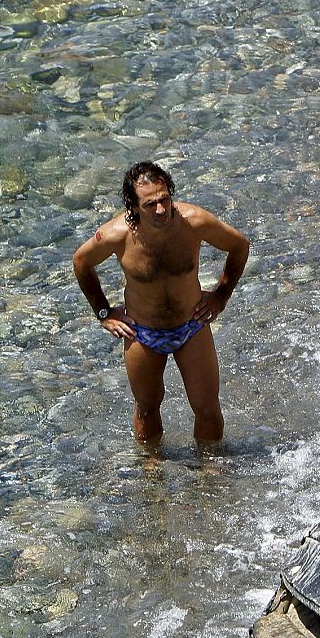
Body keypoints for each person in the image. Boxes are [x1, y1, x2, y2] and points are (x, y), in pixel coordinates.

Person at [71, 161, 250, 446]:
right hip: (143, 332)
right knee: (147, 406)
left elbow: (239, 245)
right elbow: (81, 262)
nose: (160, 210)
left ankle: (210, 470)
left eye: (164, 199)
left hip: (191, 325)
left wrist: (220, 296)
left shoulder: (193, 221)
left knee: (206, 407)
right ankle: (151, 470)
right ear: (133, 206)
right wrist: (104, 313)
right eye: (150, 203)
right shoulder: (117, 235)